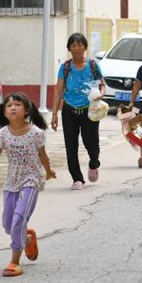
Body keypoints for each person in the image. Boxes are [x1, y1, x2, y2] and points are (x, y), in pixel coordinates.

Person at [0, 93, 56, 277]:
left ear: (26, 110)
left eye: (18, 104)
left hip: (31, 181)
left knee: (18, 220)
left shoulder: (36, 133)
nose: (13, 107)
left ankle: (14, 262)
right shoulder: (2, 134)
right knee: (8, 225)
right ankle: (27, 238)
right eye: (9, 105)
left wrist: (48, 171)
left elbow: (43, 156)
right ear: (4, 111)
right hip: (11, 182)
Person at [51, 33, 106, 190]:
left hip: (90, 110)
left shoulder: (93, 66)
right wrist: (54, 114)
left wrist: (101, 94)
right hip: (69, 110)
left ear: (85, 47)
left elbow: (102, 84)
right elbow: (58, 91)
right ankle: (77, 179)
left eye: (80, 45)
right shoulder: (65, 67)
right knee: (71, 145)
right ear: (69, 48)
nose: (76, 48)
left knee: (91, 142)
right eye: (73, 45)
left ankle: (94, 162)